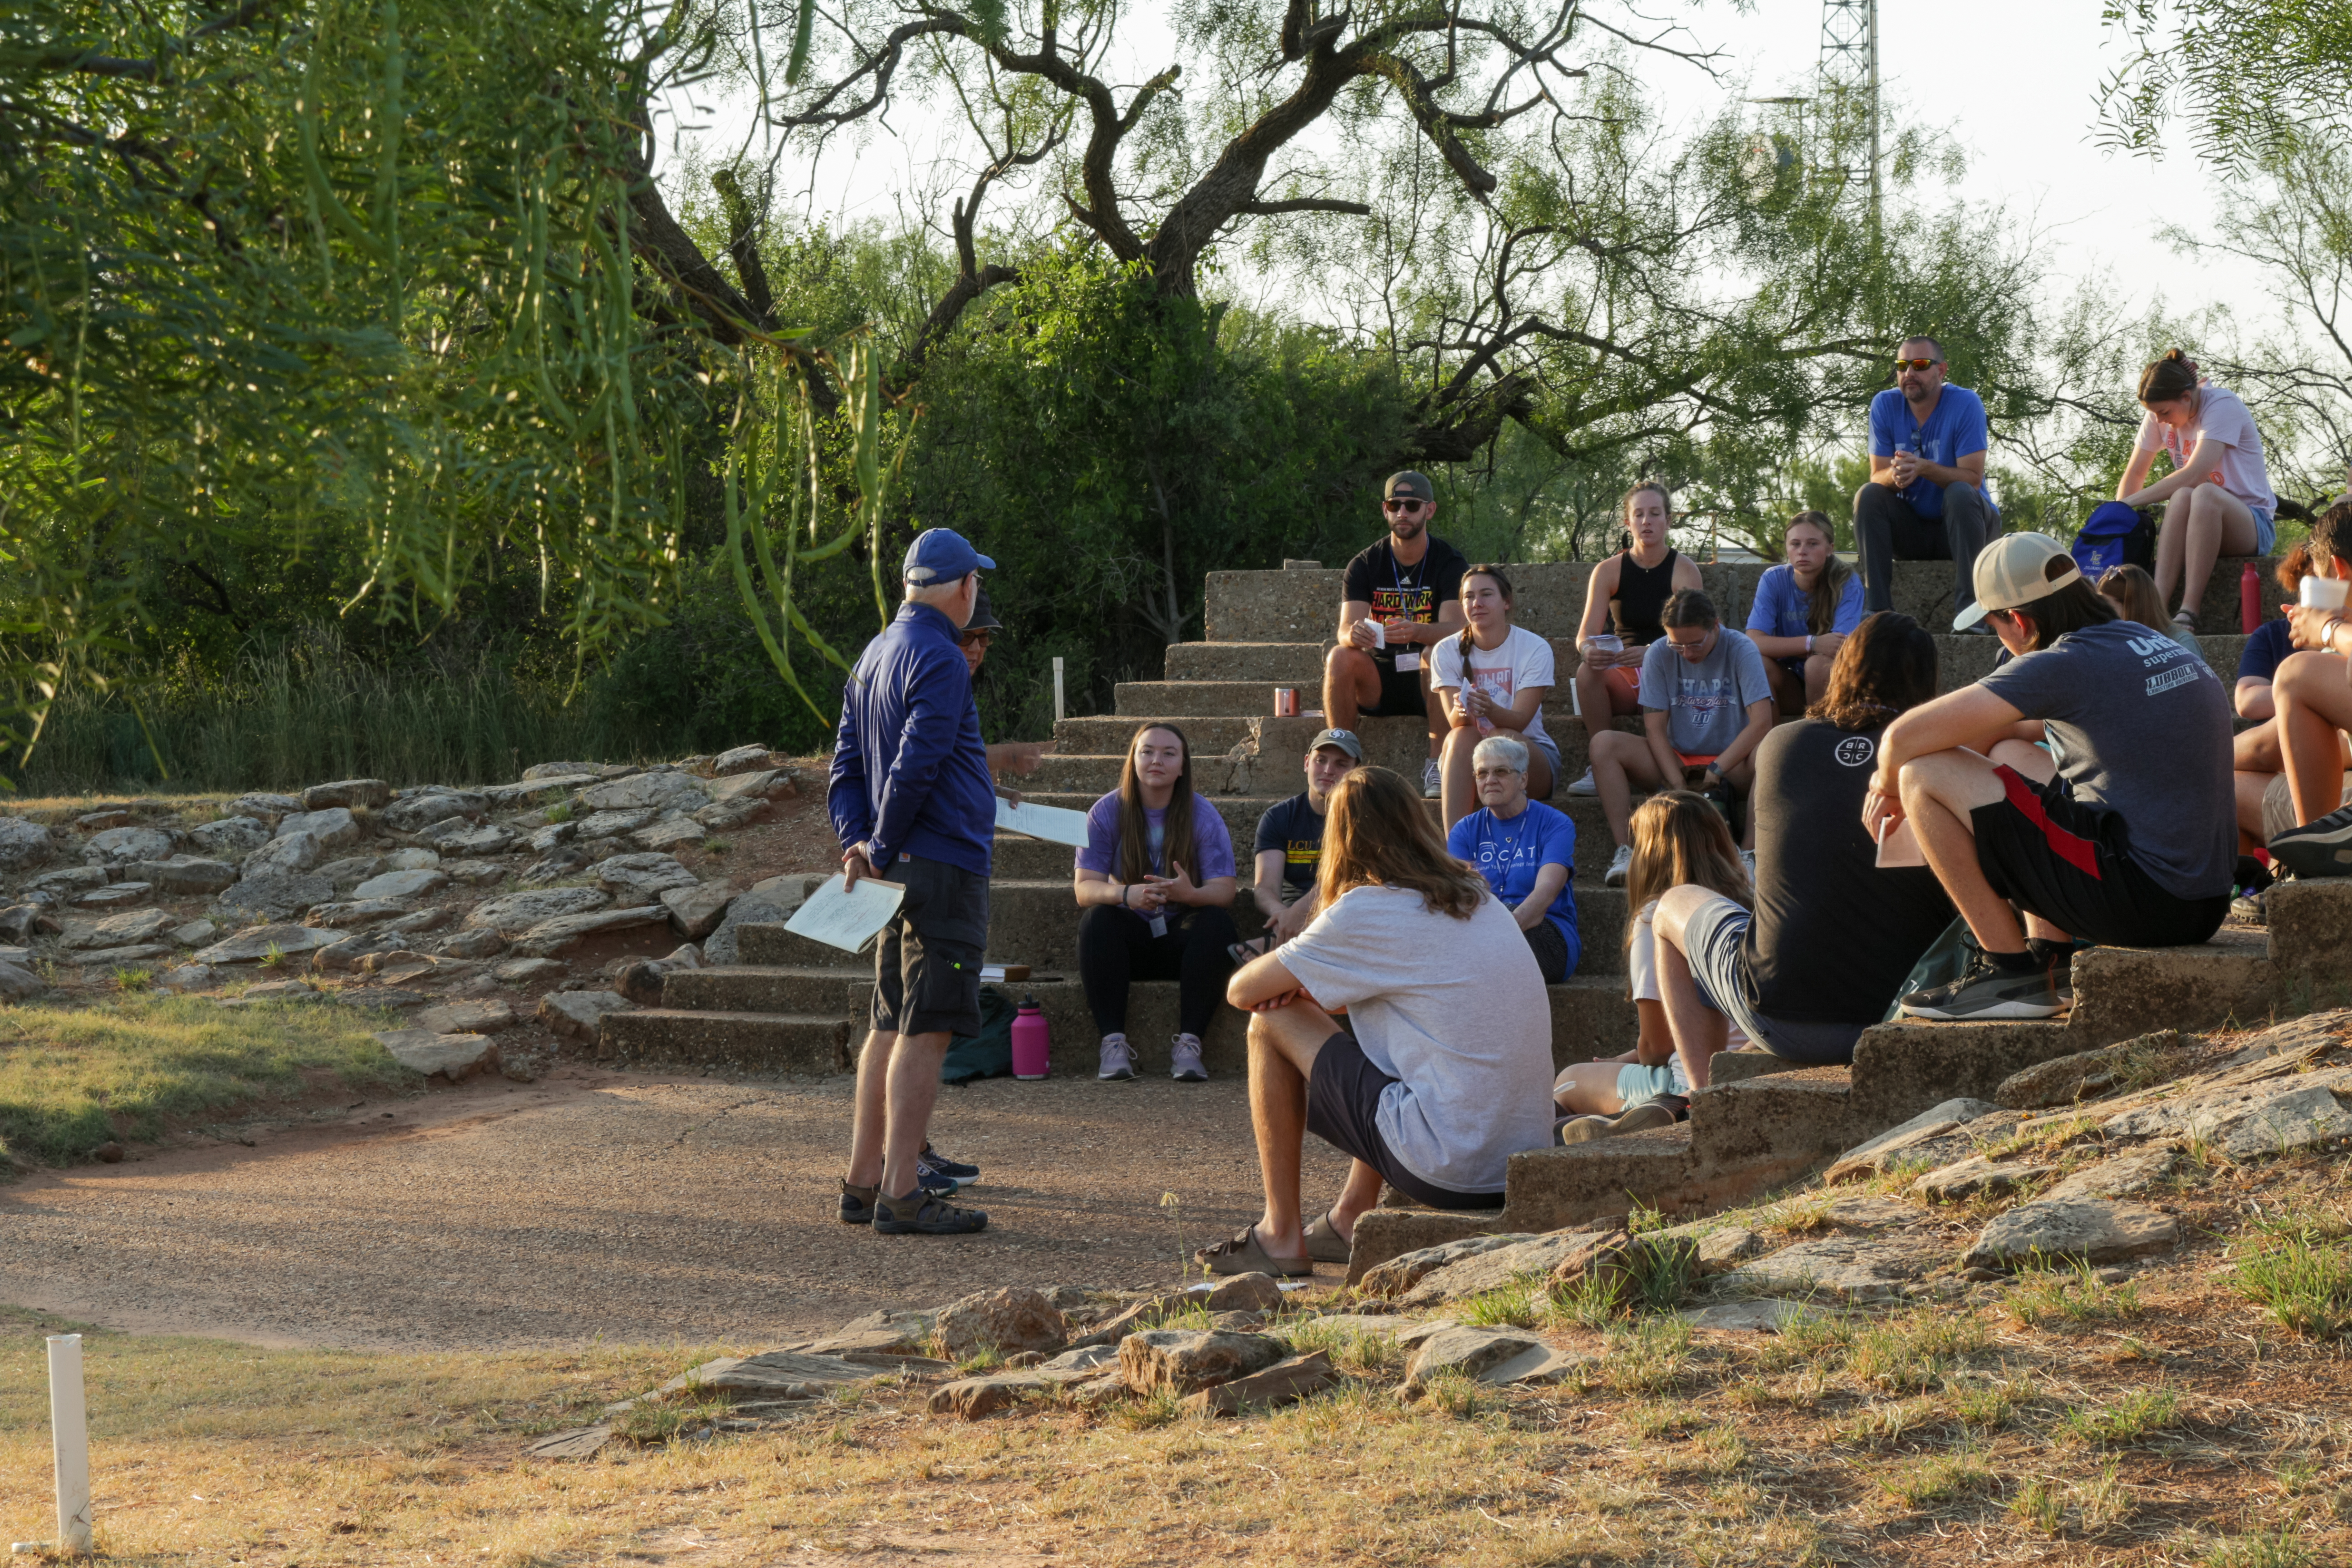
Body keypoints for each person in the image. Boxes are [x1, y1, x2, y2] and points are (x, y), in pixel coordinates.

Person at [1202, 765, 1553, 1276]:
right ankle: (1350, 1216)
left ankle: (1280, 1234)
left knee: (1268, 1025)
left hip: (1450, 1167)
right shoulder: (1478, 897)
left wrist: (1298, 983)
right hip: (1518, 1162)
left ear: (1340, 837)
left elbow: (1242, 991)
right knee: (1388, 1036)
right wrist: (1314, 983)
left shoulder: (1366, 910)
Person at [1866, 534, 2235, 1020]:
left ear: (2018, 621)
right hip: (2204, 900)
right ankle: (2052, 960)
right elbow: (2010, 732)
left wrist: (1887, 789)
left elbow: (1900, 740)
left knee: (1920, 774)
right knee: (2015, 756)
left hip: (2149, 902)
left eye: (1993, 625)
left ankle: (2011, 970)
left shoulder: (2065, 662)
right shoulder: (2146, 642)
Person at [1646, 614, 1959, 1084]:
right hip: (1907, 1013)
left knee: (1670, 906)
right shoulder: (1943, 760)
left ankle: (1701, 1097)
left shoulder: (1780, 745)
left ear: (1842, 669)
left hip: (1784, 1021)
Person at [828, 527, 998, 1237]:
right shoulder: (942, 656)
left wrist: (859, 845)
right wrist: (885, 839)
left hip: (893, 867)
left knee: (888, 1022)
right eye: (977, 584)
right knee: (926, 1029)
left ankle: (863, 1182)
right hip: (941, 865)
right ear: (964, 588)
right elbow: (914, 764)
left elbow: (847, 766)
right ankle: (903, 1192)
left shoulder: (873, 654)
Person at [1551, 791, 1752, 1142]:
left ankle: (1659, 1109)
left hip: (1693, 1076)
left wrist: (1635, 1057)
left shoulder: (1656, 916)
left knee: (1567, 1080)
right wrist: (1626, 1057)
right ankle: (1622, 1121)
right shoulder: (1746, 906)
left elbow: (1658, 1047)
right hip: (1749, 1060)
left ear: (1649, 855)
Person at [1073, 724, 1240, 1082]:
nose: (1156, 760)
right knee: (1096, 921)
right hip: (1128, 944)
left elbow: (1225, 891)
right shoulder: (1105, 813)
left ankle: (1189, 1045)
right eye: (1147, 751)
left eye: (1169, 753)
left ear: (1183, 766)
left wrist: (1190, 895)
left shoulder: (1203, 815)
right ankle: (1113, 1044)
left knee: (1217, 924)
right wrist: (1125, 895)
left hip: (1183, 944)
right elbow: (1084, 889)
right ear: (1133, 760)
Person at [1589, 589, 1775, 885]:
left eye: (1696, 643)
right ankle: (1628, 851)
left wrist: (1718, 768)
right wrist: (1676, 783)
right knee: (1603, 744)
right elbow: (1654, 728)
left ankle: (1748, 853)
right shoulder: (1659, 653)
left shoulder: (1742, 648)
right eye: (1678, 646)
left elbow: (1762, 721)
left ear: (1715, 625)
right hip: (1676, 758)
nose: (1687, 654)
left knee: (1774, 749)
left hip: (1733, 761)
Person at [1325, 471, 1468, 799]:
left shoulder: (1449, 562)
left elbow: (1458, 630)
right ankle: (1342, 761)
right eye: (1395, 505)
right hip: (1379, 677)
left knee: (1437, 652)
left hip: (1428, 679)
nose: (1403, 512)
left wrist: (1418, 630)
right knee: (1339, 656)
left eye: (1412, 505)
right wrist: (1355, 635)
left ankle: (1437, 763)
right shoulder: (1364, 563)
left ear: (1429, 510)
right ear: (1385, 510)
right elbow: (1345, 629)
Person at [2116, 349, 2278, 628]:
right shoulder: (2159, 415)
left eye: (2165, 412)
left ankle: (2189, 610)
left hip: (2252, 523)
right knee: (2182, 496)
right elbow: (2136, 473)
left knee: (2202, 492)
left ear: (2187, 397)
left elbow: (2195, 473)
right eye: (2155, 414)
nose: (2161, 420)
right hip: (2199, 524)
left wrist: (2125, 506)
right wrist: (2116, 522)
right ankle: (2154, 610)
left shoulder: (2222, 405)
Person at [1565, 484, 1705, 796]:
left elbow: (1697, 637)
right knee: (1587, 673)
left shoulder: (1684, 570)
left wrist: (1654, 651)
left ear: (1669, 520)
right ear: (1627, 523)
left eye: (1655, 514)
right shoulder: (1608, 570)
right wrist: (1589, 651)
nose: (1647, 522)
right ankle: (1598, 762)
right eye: (1639, 515)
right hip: (1627, 671)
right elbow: (1584, 635)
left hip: (1673, 666)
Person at [2230, 515, 2352, 856]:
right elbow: (2265, 744)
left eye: (2319, 577)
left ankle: (2313, 861)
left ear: (2338, 571)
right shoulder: (2272, 636)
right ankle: (2289, 868)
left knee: (2298, 672)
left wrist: (2329, 629)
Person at [1854, 335, 1999, 625]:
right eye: (1902, 365)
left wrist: (1923, 468)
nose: (1909, 374)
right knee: (1869, 494)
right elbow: (1877, 475)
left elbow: (1972, 479)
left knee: (1958, 493)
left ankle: (1972, 614)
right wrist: (1897, 474)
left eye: (1920, 365)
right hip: (1914, 533)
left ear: (1941, 371)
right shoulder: (1884, 405)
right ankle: (1878, 613)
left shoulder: (1966, 403)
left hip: (1965, 529)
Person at [1446, 735, 1581, 983]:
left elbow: (1546, 892)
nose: (1490, 780)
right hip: (1484, 933)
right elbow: (1457, 894)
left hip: (1545, 936)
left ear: (1523, 779)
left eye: (1501, 772)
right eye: (1482, 773)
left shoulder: (1555, 823)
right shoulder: (1464, 831)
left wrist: (1502, 928)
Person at [1433, 564, 1558, 826]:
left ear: (1507, 602)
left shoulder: (1535, 648)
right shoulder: (1445, 650)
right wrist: (1463, 709)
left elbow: (1521, 720)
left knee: (1502, 739)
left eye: (1486, 594)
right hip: (1470, 763)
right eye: (1469, 597)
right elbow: (1455, 721)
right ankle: (1455, 856)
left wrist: (1489, 709)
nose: (1476, 603)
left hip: (1531, 759)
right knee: (1461, 734)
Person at [1231, 728, 1361, 965]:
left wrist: (1300, 914)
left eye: (1341, 764)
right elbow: (1264, 889)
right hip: (1290, 918)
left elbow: (1343, 880)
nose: (1328, 770)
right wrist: (1283, 915)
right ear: (1306, 763)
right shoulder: (1280, 817)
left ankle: (1277, 946)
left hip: (1345, 912)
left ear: (1357, 773)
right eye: (1320, 760)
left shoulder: (1364, 819)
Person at [1746, 510, 1864, 713]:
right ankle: (1767, 741)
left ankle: (1818, 733)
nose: (1802, 551)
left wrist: (1802, 649)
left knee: (1817, 664)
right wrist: (1813, 643)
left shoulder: (1847, 581)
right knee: (1758, 665)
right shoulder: (1773, 579)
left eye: (1813, 544)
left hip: (1832, 683)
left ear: (1830, 549)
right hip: (1789, 681)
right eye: (1795, 544)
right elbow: (1754, 641)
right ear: (1787, 548)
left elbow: (1839, 645)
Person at [959, 587, 1053, 787]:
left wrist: (992, 793)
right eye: (965, 636)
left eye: (983, 638)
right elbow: (937, 758)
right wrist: (1007, 756)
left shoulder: (959, 681)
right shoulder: (935, 679)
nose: (975, 648)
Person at [2096, 564, 2208, 662]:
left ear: (2133, 607)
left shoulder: (2182, 643)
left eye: (2108, 607)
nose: (2102, 614)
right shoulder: (2109, 643)